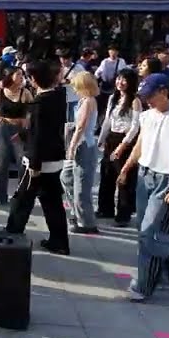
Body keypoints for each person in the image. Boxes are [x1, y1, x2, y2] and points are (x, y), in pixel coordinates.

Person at [118, 74, 169, 301]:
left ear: (164, 91)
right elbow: (140, 145)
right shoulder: (147, 116)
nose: (148, 100)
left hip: (166, 179)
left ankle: (143, 286)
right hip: (144, 175)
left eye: (151, 95)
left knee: (148, 232)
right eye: (145, 96)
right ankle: (164, 275)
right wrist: (126, 168)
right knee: (144, 229)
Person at [3, 61, 70, 255]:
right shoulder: (58, 96)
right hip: (54, 157)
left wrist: (34, 162)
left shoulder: (39, 103)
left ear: (33, 79)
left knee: (22, 197)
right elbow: (45, 129)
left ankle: (13, 231)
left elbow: (40, 134)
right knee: (52, 202)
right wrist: (24, 134)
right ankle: (59, 241)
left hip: (39, 160)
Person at [97, 69, 141, 226]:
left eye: (124, 80)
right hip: (111, 138)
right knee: (107, 173)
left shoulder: (135, 101)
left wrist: (124, 144)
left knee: (124, 177)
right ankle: (105, 208)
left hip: (125, 141)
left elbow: (135, 125)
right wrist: (101, 139)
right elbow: (107, 121)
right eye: (118, 79)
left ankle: (124, 213)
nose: (120, 83)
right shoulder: (113, 98)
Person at [62, 71, 100, 235]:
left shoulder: (88, 101)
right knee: (67, 177)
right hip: (82, 143)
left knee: (81, 185)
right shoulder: (84, 100)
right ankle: (76, 211)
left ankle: (86, 222)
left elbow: (81, 127)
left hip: (84, 144)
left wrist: (71, 146)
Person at [0, 65, 32, 205]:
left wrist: (27, 119)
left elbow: (33, 108)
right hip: (4, 128)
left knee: (22, 163)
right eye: (18, 74)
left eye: (22, 75)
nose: (21, 77)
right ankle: (0, 195)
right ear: (10, 76)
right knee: (1, 163)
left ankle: (22, 194)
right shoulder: (0, 92)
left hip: (20, 129)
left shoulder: (25, 93)